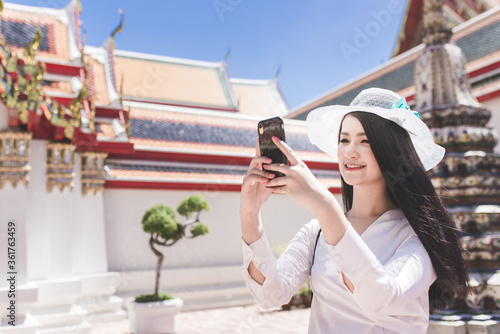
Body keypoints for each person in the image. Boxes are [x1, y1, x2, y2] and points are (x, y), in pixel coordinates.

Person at [240, 88, 469, 333]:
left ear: (392, 151)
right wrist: (250, 215)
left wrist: (325, 206)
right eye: (344, 139)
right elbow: (270, 295)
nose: (350, 152)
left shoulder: (418, 236)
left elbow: (381, 297)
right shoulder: (316, 232)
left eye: (365, 140)